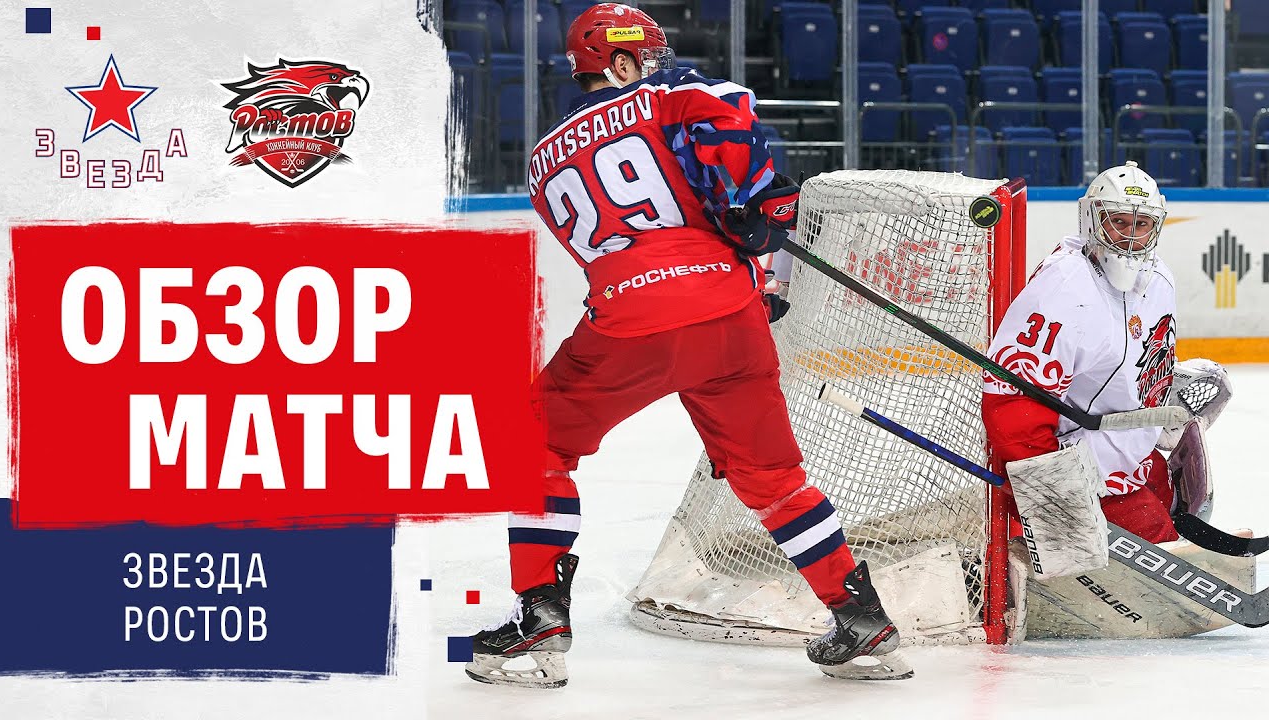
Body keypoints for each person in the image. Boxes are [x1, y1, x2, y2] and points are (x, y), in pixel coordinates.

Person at [464, 3, 910, 689]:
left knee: (534, 444)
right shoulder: (671, 97)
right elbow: (728, 116)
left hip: (630, 321)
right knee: (773, 478)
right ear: (618, 61)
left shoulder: (542, 164)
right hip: (730, 316)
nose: (653, 67)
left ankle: (541, 614)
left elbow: (610, 252)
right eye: (642, 57)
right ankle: (859, 617)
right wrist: (759, 204)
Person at [982, 161, 1230, 551]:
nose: (1130, 237)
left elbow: (1139, 357)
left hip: (1130, 460)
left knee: (1180, 512)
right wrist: (1055, 499)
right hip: (1080, 478)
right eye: (1118, 222)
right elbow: (1014, 400)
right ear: (1092, 219)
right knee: (1167, 571)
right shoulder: (1064, 289)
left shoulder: (1159, 280)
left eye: (1142, 224)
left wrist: (1157, 396)